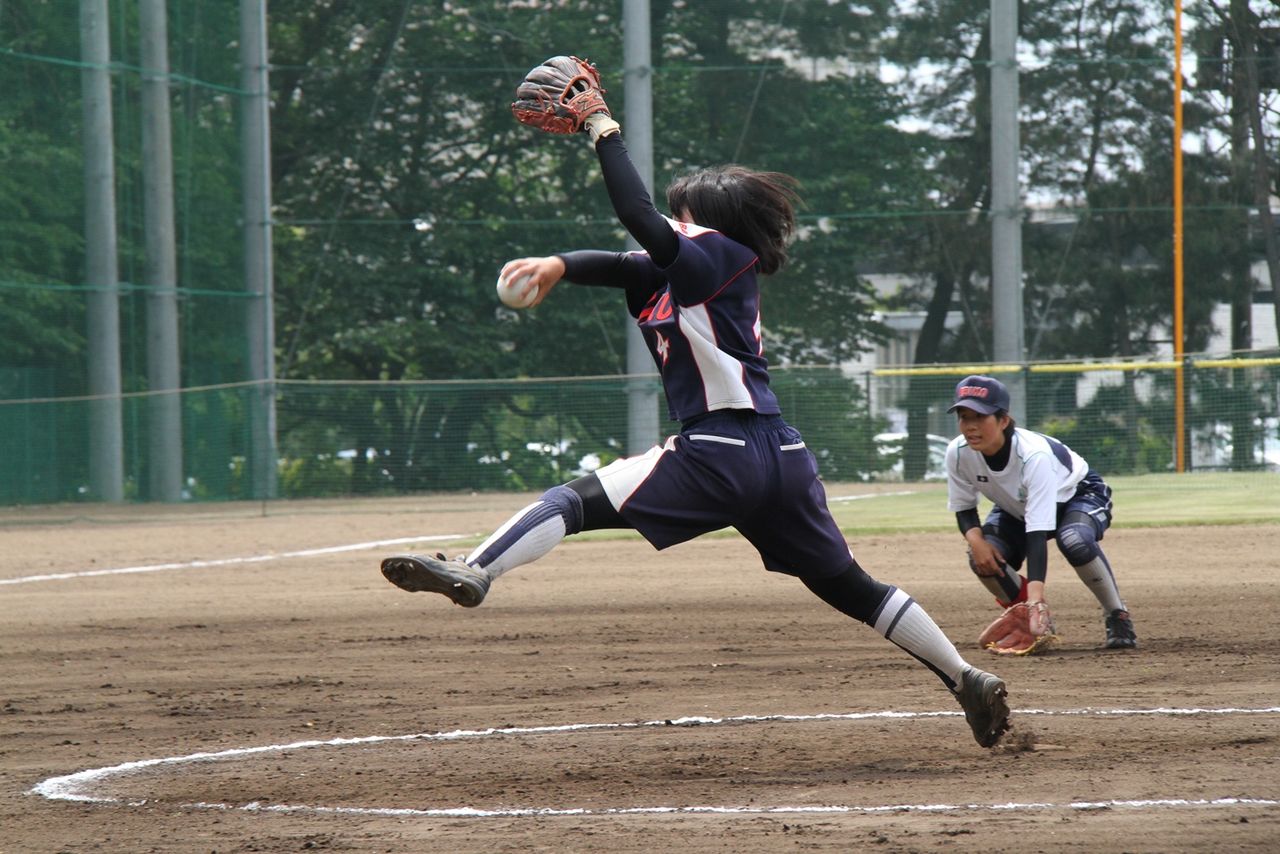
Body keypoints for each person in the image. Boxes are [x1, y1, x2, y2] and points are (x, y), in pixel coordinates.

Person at [380, 83, 1011, 748]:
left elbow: (637, 216)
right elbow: (621, 263)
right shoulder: (685, 273)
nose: (672, 226)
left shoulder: (717, 254)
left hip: (720, 449)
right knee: (851, 587)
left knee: (569, 501)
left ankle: (477, 569)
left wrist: (601, 127)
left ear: (706, 223)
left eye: (682, 216)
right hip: (780, 456)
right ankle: (965, 678)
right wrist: (559, 265)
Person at [943, 374, 1138, 651]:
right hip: (1017, 507)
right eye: (964, 417)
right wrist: (977, 543)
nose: (971, 426)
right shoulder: (958, 452)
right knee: (981, 558)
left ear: (1003, 420)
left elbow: (1036, 532)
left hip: (1077, 495)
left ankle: (1117, 615)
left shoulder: (1033, 456)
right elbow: (964, 508)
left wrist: (1037, 597)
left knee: (1074, 540)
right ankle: (1029, 620)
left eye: (980, 417)